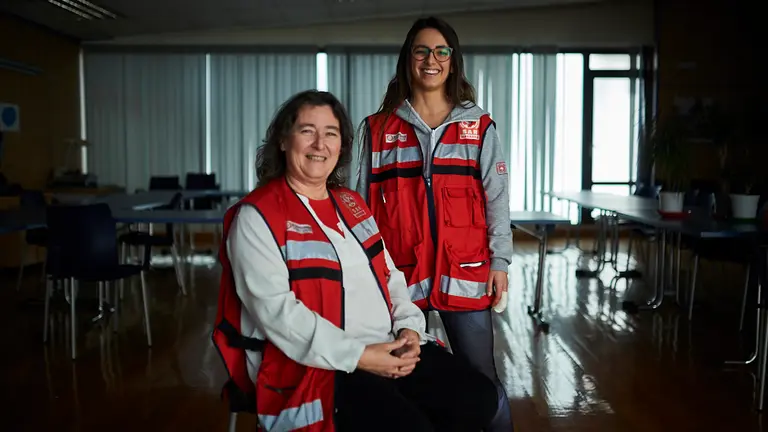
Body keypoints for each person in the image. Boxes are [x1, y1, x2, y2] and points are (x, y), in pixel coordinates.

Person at [212, 89, 498, 432]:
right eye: (307, 131)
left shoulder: (351, 204)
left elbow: (391, 276)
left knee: (478, 397)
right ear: (283, 141)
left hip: (387, 344)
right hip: (319, 365)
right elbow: (278, 313)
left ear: (341, 146)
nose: (320, 144)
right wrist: (361, 357)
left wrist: (409, 328)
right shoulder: (256, 216)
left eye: (330, 133)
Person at [355, 16, 514, 431]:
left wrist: (500, 262)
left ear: (453, 61)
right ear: (408, 60)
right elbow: (361, 209)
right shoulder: (378, 129)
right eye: (422, 50)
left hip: (465, 272)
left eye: (442, 51)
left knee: (483, 383)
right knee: (411, 382)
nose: (432, 59)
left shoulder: (478, 126)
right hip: (400, 278)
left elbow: (496, 198)